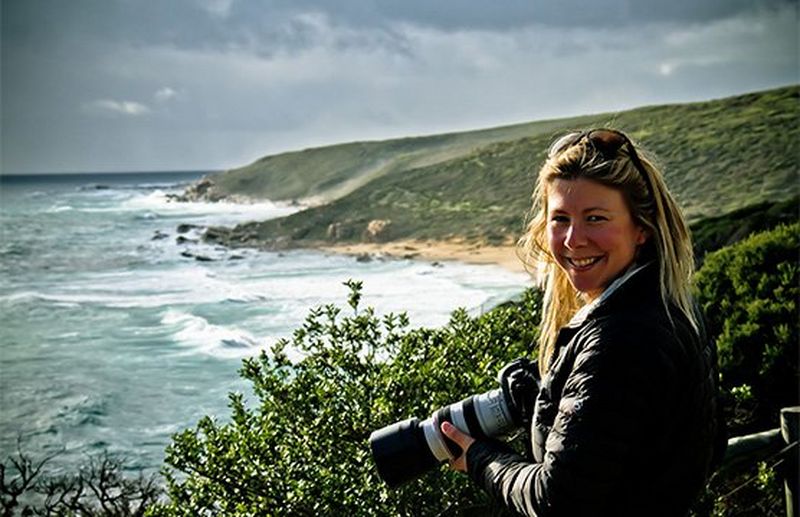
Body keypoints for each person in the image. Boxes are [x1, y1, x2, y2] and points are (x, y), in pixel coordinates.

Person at [441, 128, 724, 517]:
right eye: (560, 219)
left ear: (641, 229)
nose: (574, 239)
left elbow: (555, 499)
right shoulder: (673, 305)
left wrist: (480, 458)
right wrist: (545, 400)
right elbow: (647, 443)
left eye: (595, 218)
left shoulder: (621, 338)